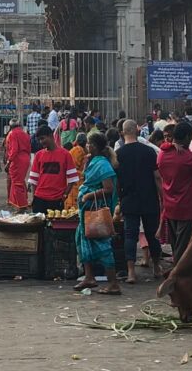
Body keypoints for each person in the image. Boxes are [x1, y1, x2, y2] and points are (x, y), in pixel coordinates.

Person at [73, 131, 121, 294]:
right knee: (82, 240)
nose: (86, 146)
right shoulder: (93, 161)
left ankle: (113, 283)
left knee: (102, 245)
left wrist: (88, 195)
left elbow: (108, 189)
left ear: (94, 146)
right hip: (86, 211)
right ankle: (89, 277)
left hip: (95, 210)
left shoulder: (103, 165)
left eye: (88, 144)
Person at [116, 119, 163, 282]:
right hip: (149, 199)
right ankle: (157, 267)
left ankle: (131, 272)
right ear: (137, 131)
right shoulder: (149, 152)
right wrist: (162, 198)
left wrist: (119, 201)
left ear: (122, 133)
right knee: (152, 235)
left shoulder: (119, 154)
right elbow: (157, 177)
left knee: (130, 235)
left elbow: (117, 181)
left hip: (129, 199)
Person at [157, 122, 192, 263]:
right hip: (187, 208)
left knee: (176, 246)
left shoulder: (162, 155)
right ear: (187, 136)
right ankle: (178, 277)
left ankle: (178, 274)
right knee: (183, 248)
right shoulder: (190, 158)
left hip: (170, 206)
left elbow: (163, 148)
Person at [28, 124, 79, 213]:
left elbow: (73, 179)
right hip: (39, 198)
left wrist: (65, 195)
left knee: (55, 226)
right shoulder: (38, 155)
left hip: (57, 200)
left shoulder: (66, 155)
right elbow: (33, 180)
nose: (41, 142)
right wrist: (34, 197)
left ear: (51, 136)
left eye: (43, 138)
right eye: (39, 139)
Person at [4, 118, 32, 210]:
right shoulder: (25, 134)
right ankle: (23, 201)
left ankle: (22, 205)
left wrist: (8, 162)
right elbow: (28, 148)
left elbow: (14, 150)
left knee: (16, 182)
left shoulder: (12, 134)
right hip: (26, 158)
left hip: (17, 160)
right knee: (20, 181)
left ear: (10, 126)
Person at [64, 132, 88, 210]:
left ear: (76, 141)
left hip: (74, 179)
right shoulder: (81, 150)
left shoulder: (77, 150)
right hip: (78, 180)